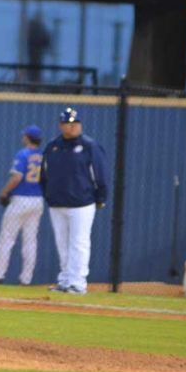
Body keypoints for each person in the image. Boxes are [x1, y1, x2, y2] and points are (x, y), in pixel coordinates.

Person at [40, 107, 108, 295]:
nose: (71, 127)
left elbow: (100, 173)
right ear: (60, 125)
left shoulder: (89, 146)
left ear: (80, 124)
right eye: (67, 124)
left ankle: (78, 283)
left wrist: (101, 196)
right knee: (62, 243)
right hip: (57, 203)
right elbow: (43, 174)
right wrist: (48, 196)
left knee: (79, 243)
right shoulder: (53, 146)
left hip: (82, 203)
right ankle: (65, 280)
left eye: (75, 123)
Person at [0, 125, 45, 286]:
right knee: (30, 241)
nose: (23, 138)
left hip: (21, 199)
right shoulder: (43, 156)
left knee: (7, 238)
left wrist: (4, 192)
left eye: (24, 136)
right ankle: (26, 279)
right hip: (37, 199)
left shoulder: (23, 154)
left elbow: (17, 177)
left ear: (28, 137)